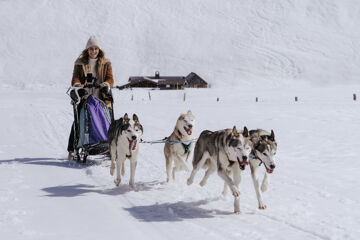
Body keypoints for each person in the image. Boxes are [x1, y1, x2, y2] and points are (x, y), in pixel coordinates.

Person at [67, 36, 114, 159]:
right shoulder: (80, 63)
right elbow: (75, 78)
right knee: (79, 121)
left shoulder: (106, 63)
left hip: (101, 97)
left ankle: (107, 145)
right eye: (91, 49)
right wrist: (78, 85)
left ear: (99, 50)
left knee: (106, 121)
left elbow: (110, 78)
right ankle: (72, 148)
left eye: (96, 49)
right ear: (87, 50)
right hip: (84, 96)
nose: (93, 51)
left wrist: (106, 84)